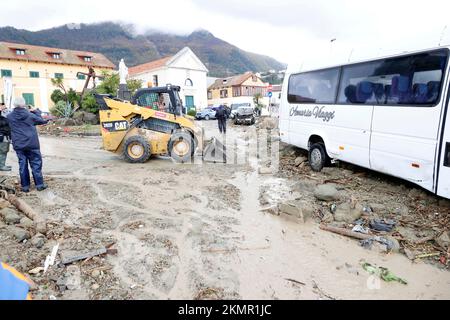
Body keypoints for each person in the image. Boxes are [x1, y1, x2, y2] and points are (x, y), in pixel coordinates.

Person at [7, 97, 48, 193]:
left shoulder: (9, 116)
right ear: (23, 104)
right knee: (36, 164)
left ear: (14, 105)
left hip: (19, 144)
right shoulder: (30, 115)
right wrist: (36, 111)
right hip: (32, 143)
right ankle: (39, 185)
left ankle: (25, 187)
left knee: (22, 164)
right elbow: (42, 121)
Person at [0, 103, 12, 171]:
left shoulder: (5, 115)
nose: (4, 109)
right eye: (3, 107)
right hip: (2, 135)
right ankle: (1, 166)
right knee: (3, 151)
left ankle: (2, 165)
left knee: (4, 150)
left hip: (5, 135)